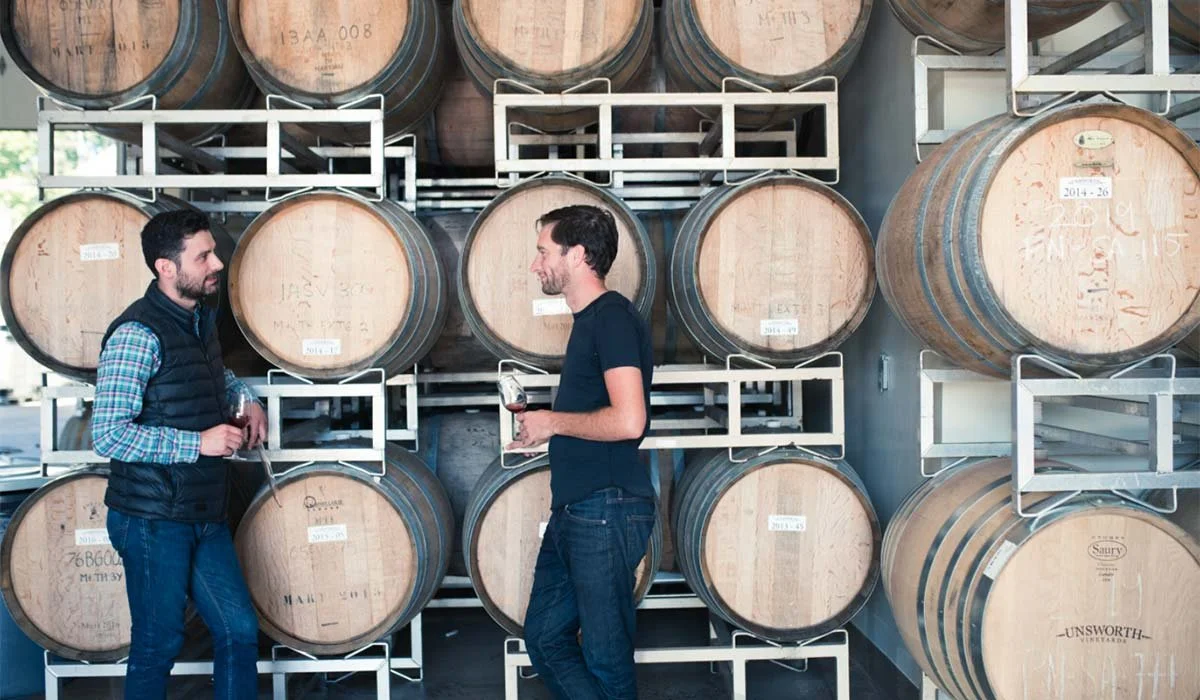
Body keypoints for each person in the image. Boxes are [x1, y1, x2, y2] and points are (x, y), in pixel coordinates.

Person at [91, 210, 267, 700]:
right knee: (158, 643)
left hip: (201, 509)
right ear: (166, 268)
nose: (217, 263)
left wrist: (245, 397)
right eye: (204, 256)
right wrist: (198, 443)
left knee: (238, 631)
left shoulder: (198, 317)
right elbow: (108, 435)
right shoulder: (135, 334)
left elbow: (207, 376)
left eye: (213, 251)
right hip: (151, 518)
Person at [507, 205, 657, 700]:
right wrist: (546, 430)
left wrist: (552, 422)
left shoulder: (610, 318)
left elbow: (630, 419)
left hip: (605, 510)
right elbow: (598, 415)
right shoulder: (589, 322)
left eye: (542, 252)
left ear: (576, 255)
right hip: (578, 509)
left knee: (606, 657)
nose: (535, 265)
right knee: (545, 637)